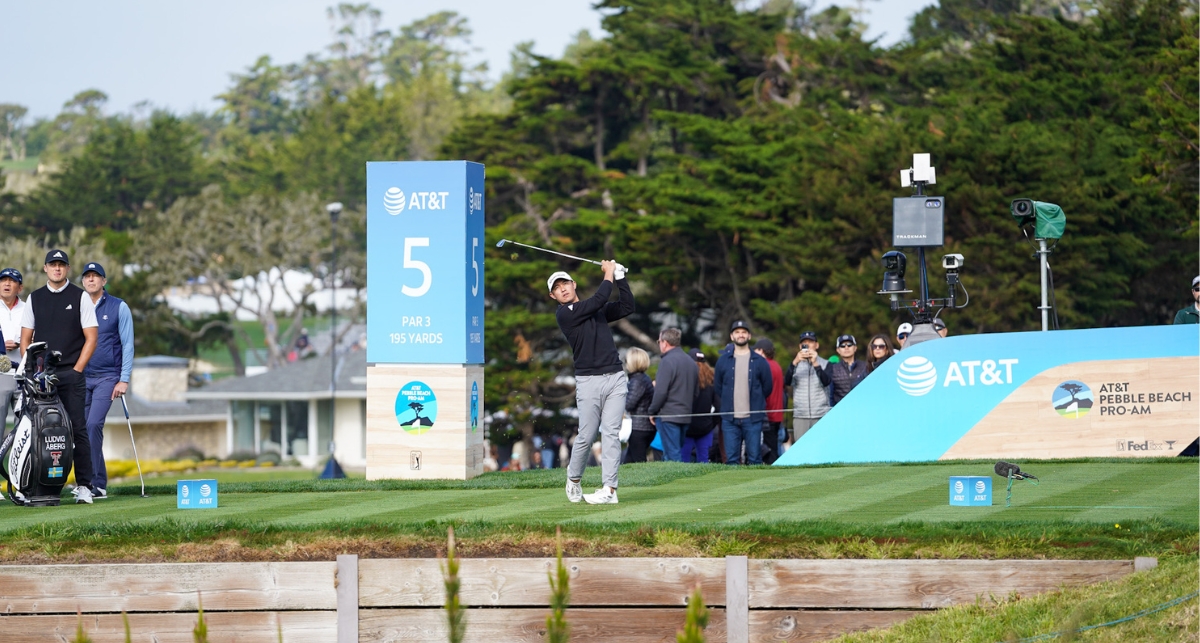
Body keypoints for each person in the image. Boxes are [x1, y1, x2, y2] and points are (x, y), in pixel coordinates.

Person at [550, 261, 633, 505]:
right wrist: (608, 273)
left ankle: (609, 490)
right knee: (586, 435)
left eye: (565, 283)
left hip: (616, 377)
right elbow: (597, 300)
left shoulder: (594, 310)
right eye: (557, 288)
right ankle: (574, 478)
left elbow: (628, 306)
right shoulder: (565, 314)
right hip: (588, 381)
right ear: (553, 296)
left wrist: (619, 277)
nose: (563, 289)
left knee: (611, 434)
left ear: (574, 285)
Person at [20, 249, 99, 504]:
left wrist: (77, 369)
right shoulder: (35, 298)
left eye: (61, 265)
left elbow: (91, 338)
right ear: (45, 268)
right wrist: (33, 371)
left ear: (67, 269)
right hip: (42, 377)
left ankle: (85, 486)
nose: (57, 269)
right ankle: (32, 485)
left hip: (70, 374)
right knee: (36, 430)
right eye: (53, 265)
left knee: (77, 430)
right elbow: (25, 339)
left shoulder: (80, 297)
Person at [80, 262, 133, 500]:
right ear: (83, 281)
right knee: (82, 429)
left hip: (108, 377)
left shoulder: (118, 307)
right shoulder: (78, 306)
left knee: (93, 425)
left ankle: (96, 483)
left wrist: (124, 379)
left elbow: (128, 344)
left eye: (96, 276)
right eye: (87, 276)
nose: (91, 280)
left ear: (104, 281)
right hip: (82, 377)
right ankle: (94, 483)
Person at [713, 320, 773, 465]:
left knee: (754, 459)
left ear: (749, 336)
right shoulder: (723, 361)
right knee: (731, 460)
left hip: (753, 419)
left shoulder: (759, 361)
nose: (741, 335)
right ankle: (734, 488)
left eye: (744, 332)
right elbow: (718, 387)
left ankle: (756, 488)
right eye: (737, 332)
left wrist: (756, 400)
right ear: (732, 336)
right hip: (730, 419)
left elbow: (767, 387)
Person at [646, 327, 697, 462]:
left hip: (669, 415)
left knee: (671, 455)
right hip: (686, 414)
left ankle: (676, 483)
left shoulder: (667, 361)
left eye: (659, 341)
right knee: (676, 450)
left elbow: (661, 391)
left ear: (665, 342)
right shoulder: (691, 362)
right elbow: (696, 392)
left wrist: (652, 411)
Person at [784, 331, 831, 443]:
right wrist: (795, 361)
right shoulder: (795, 364)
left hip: (821, 414)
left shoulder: (825, 363)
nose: (808, 345)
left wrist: (815, 363)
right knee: (801, 451)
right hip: (801, 415)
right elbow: (787, 381)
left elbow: (826, 382)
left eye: (810, 342)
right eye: (804, 343)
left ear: (817, 345)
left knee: (821, 448)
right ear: (800, 347)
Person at [0, 268, 26, 429]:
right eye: (3, 280)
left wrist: (21, 342)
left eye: (12, 281)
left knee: (23, 426)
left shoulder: (28, 308)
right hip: (1, 375)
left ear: (20, 287)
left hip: (23, 374)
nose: (7, 284)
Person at [682, 349, 717, 463]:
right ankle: (704, 481)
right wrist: (711, 423)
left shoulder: (684, 378)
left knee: (683, 461)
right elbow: (719, 407)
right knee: (704, 459)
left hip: (686, 426)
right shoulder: (712, 379)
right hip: (705, 427)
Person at [621, 347, 656, 464]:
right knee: (629, 461)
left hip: (639, 428)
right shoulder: (643, 379)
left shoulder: (637, 381)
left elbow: (629, 404)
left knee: (638, 462)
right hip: (644, 426)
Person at [753, 338, 784, 464]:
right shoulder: (776, 365)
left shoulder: (765, 366)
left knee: (770, 452)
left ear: (761, 351)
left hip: (768, 414)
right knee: (774, 447)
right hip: (777, 413)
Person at [828, 334, 868, 406]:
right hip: (841, 411)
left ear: (855, 348)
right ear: (838, 350)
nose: (846, 348)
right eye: (842, 346)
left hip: (862, 408)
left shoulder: (865, 366)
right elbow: (830, 395)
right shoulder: (833, 369)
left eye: (849, 345)